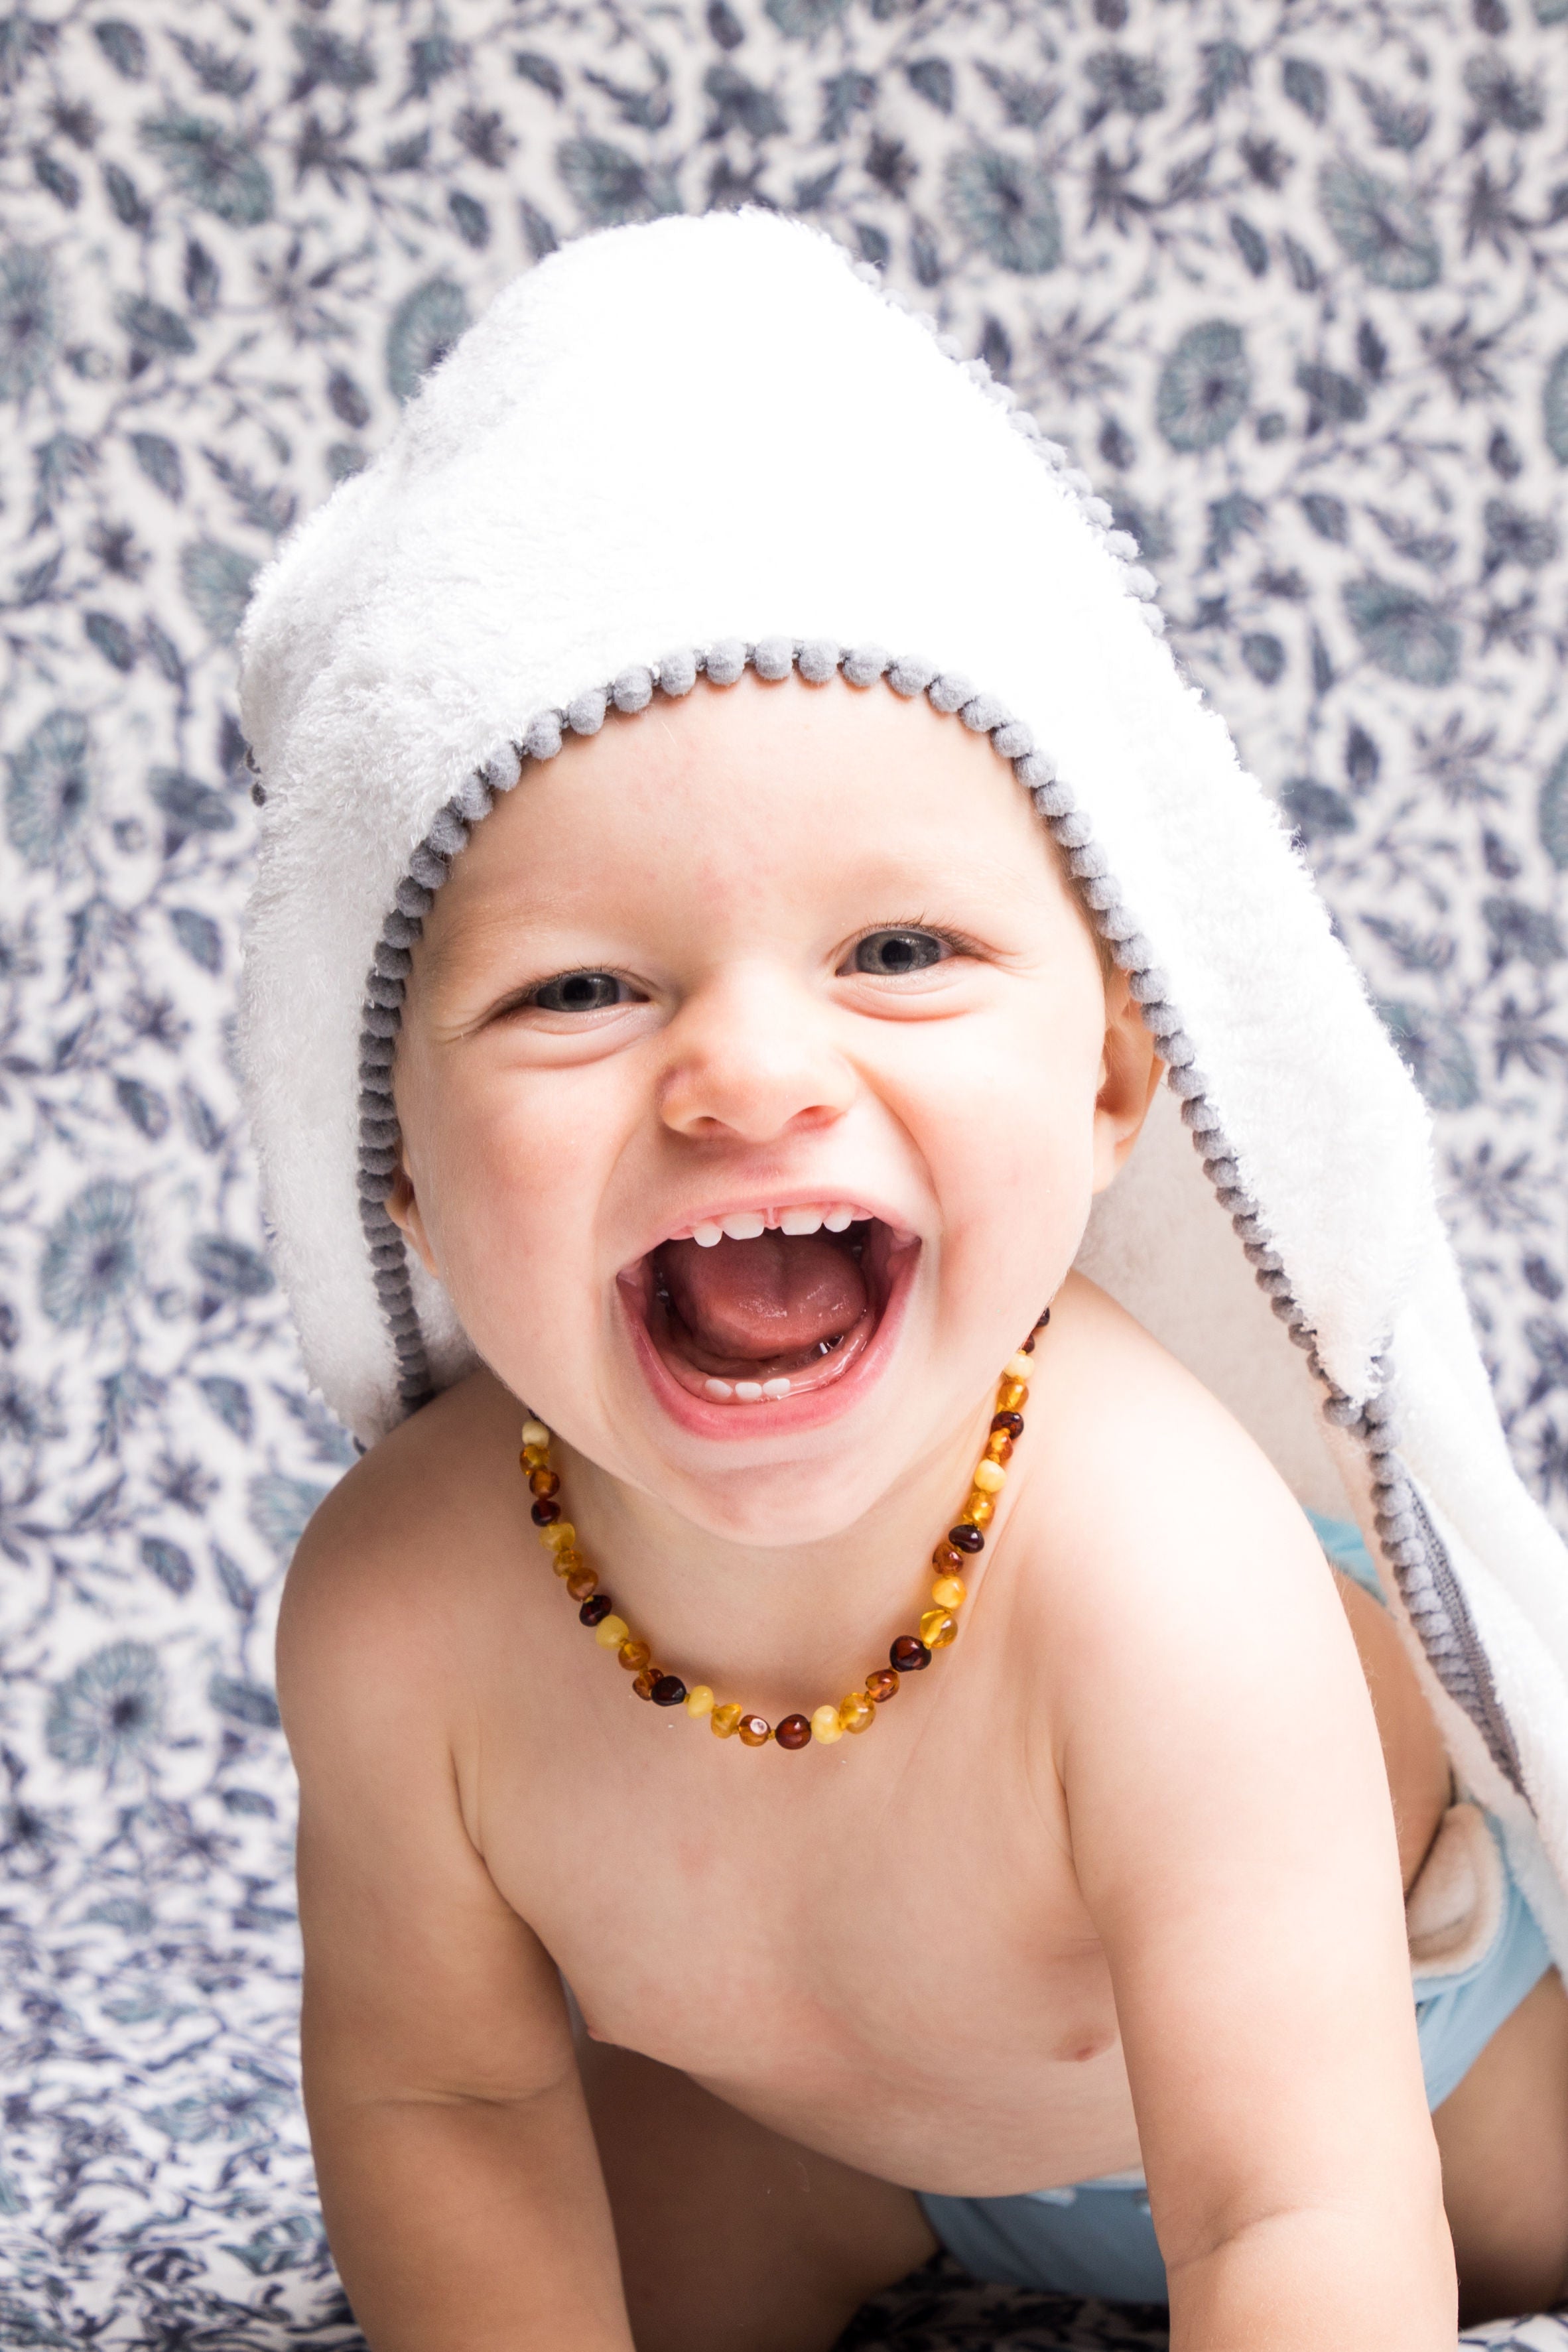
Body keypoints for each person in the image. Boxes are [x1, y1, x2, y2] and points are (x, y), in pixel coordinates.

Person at [237, 210, 1568, 2350]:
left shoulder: (1158, 1571)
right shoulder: (403, 1619)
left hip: (1398, 2099)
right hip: (843, 2149)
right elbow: (446, 2091)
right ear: (388, 1169)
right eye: (579, 987)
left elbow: (1289, 2200)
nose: (749, 1071)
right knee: (572, 2206)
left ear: (1117, 1071)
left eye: (898, 950)